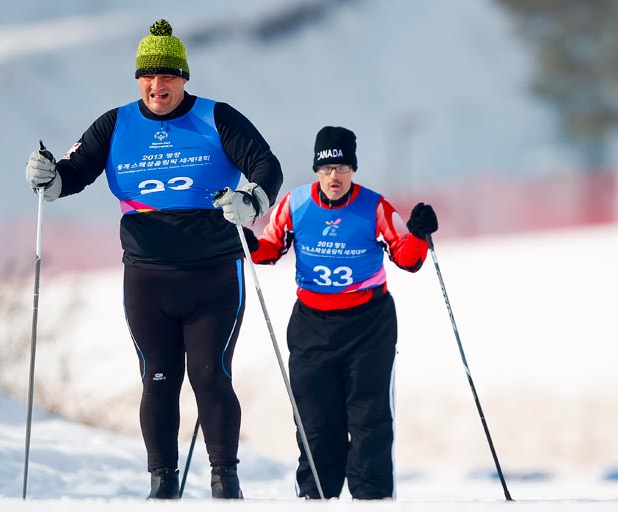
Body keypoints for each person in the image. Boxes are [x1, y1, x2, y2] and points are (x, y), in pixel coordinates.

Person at [24, 19, 283, 500]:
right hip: (147, 278)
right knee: (158, 378)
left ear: (184, 77)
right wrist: (48, 177)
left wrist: (252, 201)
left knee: (210, 375)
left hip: (214, 273)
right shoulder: (115, 124)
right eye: (148, 75)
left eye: (167, 76)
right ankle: (162, 485)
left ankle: (225, 480)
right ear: (138, 79)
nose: (157, 85)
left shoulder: (215, 117)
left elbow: (267, 165)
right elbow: (73, 173)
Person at [241, 126, 438, 500]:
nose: (335, 176)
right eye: (328, 168)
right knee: (316, 421)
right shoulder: (295, 204)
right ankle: (316, 496)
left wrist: (418, 234)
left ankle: (372, 498)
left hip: (368, 324)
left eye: (343, 167)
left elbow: (407, 259)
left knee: (369, 418)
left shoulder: (375, 206)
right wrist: (247, 241)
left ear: (353, 169)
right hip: (312, 325)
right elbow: (269, 249)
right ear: (317, 169)